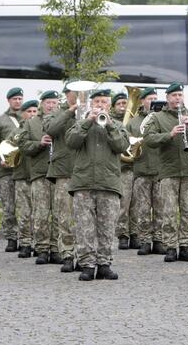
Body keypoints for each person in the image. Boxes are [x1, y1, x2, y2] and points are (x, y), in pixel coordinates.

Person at [66, 89, 130, 281]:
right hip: (83, 183)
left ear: (109, 106)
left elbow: (122, 146)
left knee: (107, 226)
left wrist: (110, 126)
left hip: (108, 183)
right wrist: (87, 121)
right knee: (84, 227)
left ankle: (104, 264)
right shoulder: (80, 124)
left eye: (104, 102)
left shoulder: (118, 126)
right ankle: (87, 264)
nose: (101, 105)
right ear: (92, 104)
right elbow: (71, 142)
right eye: (98, 102)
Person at [143, 82, 188, 263]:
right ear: (167, 98)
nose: (178, 98)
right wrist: (169, 135)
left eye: (180, 95)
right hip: (168, 171)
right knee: (168, 211)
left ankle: (185, 246)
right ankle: (170, 247)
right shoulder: (157, 117)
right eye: (174, 95)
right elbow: (148, 139)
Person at [22, 90, 61, 265]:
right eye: (48, 102)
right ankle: (42, 249)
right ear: (42, 104)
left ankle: (56, 248)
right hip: (40, 173)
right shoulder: (31, 123)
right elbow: (22, 146)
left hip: (60, 173)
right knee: (41, 213)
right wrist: (39, 144)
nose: (51, 105)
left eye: (54, 102)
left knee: (60, 213)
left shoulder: (64, 121)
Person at [44, 84, 79, 272]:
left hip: (85, 173)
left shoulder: (91, 112)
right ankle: (67, 254)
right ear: (67, 95)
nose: (79, 95)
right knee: (64, 216)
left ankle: (84, 255)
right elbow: (50, 129)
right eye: (75, 92)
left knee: (85, 218)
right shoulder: (56, 114)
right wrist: (69, 112)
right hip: (64, 171)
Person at [127, 88, 164, 256]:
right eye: (150, 98)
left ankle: (159, 240)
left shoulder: (163, 119)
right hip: (141, 169)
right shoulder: (133, 123)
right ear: (142, 101)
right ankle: (145, 241)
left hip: (160, 170)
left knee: (161, 208)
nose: (153, 101)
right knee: (142, 208)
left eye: (156, 98)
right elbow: (125, 145)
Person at [0, 87, 24, 252]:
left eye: (20, 98)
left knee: (26, 207)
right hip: (7, 171)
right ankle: (11, 238)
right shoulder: (0, 121)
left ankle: (26, 239)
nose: (18, 101)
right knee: (8, 207)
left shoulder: (29, 117)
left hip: (25, 171)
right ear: (8, 101)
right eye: (14, 99)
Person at [111, 91, 138, 250]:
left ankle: (135, 233)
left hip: (136, 167)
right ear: (114, 107)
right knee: (124, 203)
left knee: (136, 204)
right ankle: (122, 234)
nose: (123, 106)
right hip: (122, 168)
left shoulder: (135, 121)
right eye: (119, 104)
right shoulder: (110, 121)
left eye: (124, 103)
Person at [11, 100, 38, 259]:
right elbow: (8, 148)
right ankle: (25, 243)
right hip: (22, 176)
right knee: (24, 212)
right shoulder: (17, 131)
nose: (32, 115)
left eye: (35, 112)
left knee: (38, 213)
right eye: (29, 112)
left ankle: (38, 242)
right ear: (23, 114)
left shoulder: (42, 129)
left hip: (37, 176)